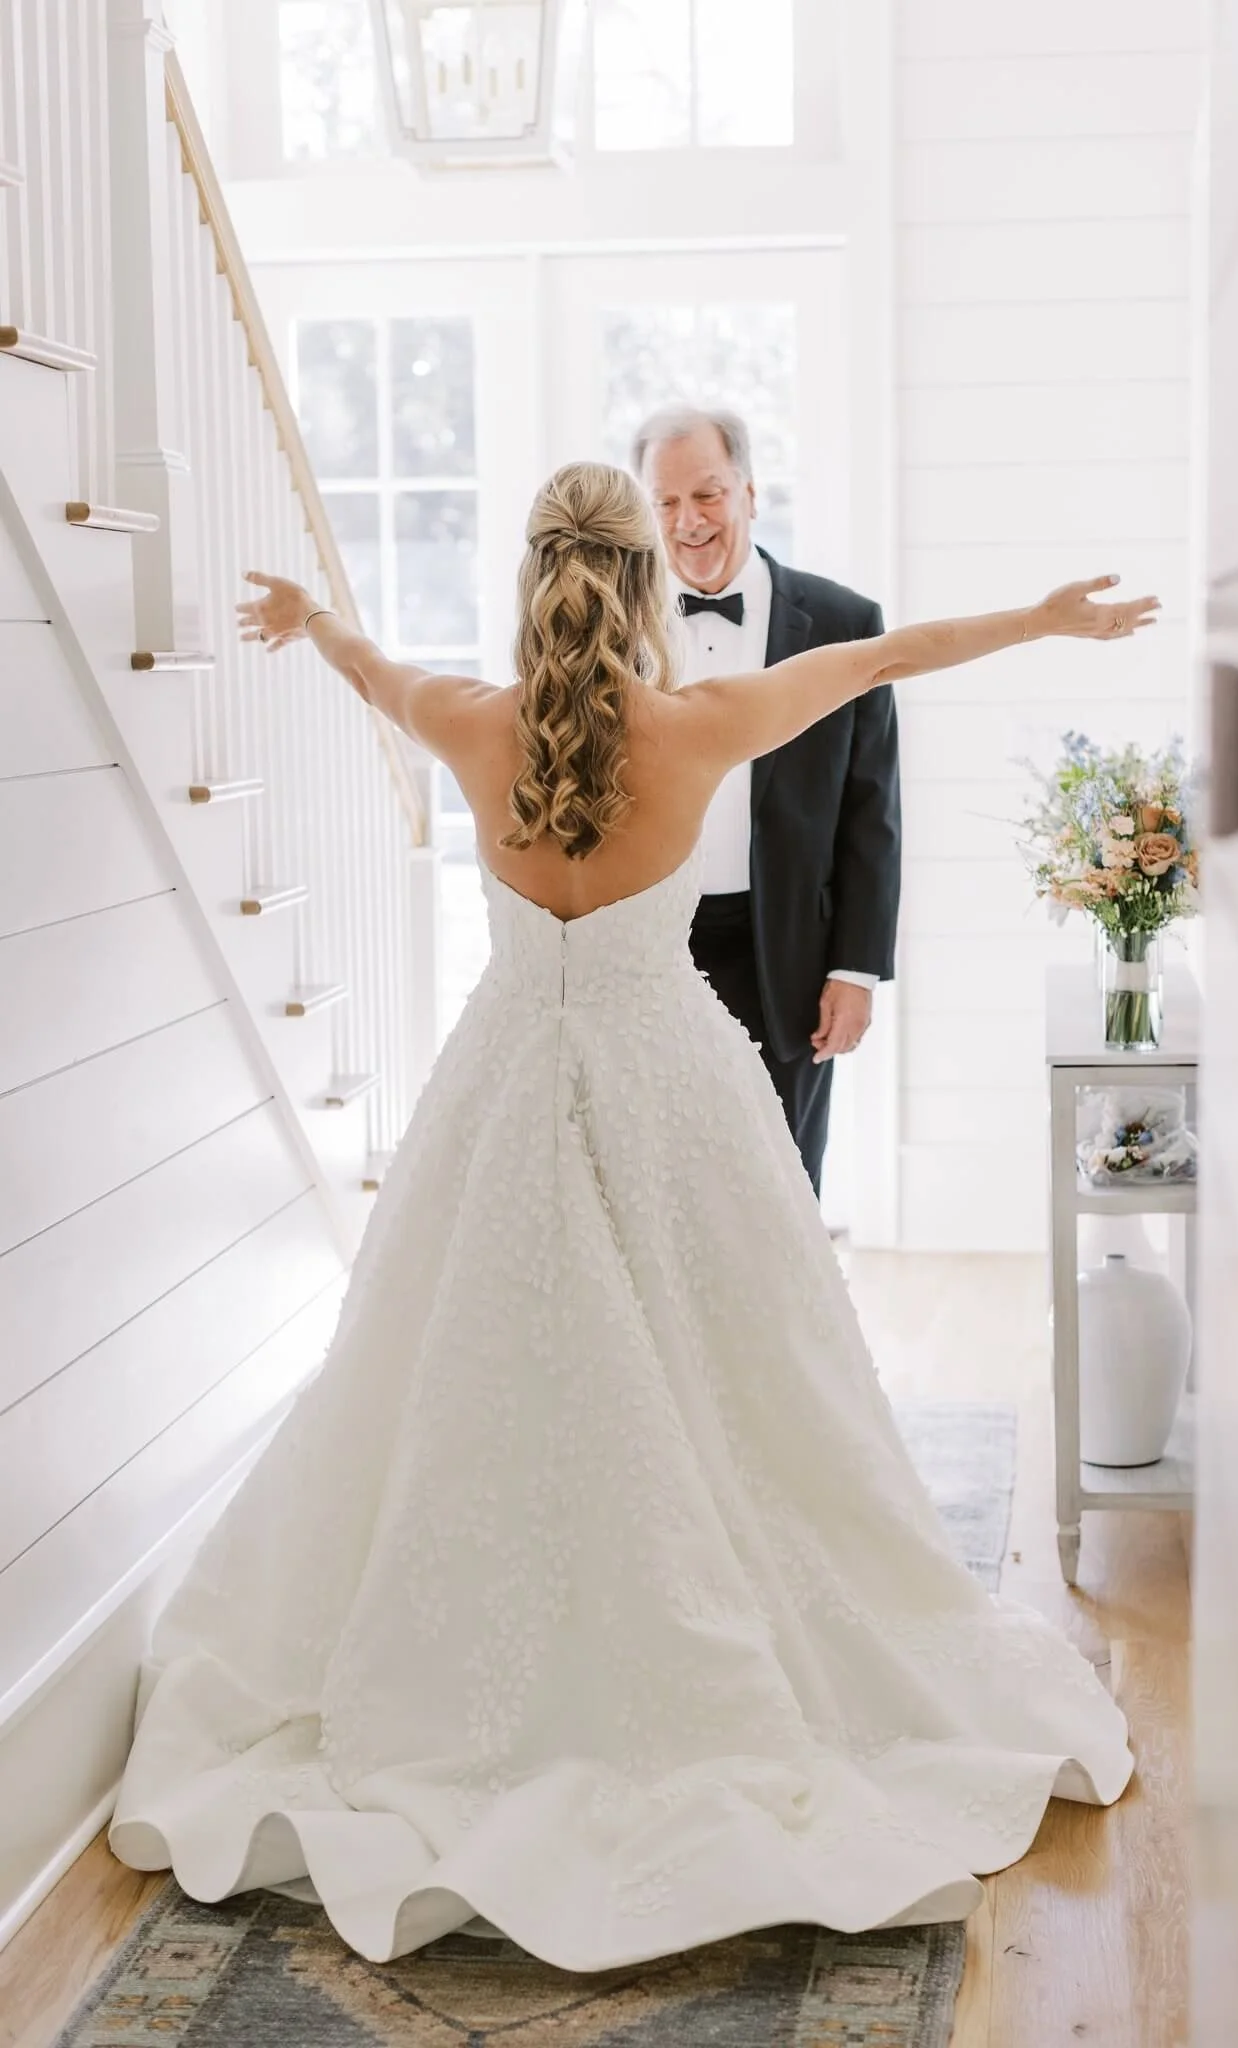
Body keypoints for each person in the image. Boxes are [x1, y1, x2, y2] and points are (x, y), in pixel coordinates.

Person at [110, 462, 1155, 1971]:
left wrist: (308, 614)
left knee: (467, 1378)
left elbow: (368, 670)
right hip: (671, 1085)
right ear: (645, 584)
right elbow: (880, 658)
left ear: (532, 577)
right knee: (733, 1379)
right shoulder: (698, 726)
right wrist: (1046, 621)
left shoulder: (472, 725)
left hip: (505, 1093)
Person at [634, 405, 898, 1191]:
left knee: (778, 1189)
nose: (688, 522)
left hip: (783, 951)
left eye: (707, 494)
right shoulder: (610, 626)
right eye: (666, 501)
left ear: (750, 492)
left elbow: (870, 812)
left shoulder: (845, 624)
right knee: (654, 1184)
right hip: (646, 947)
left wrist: (855, 968)